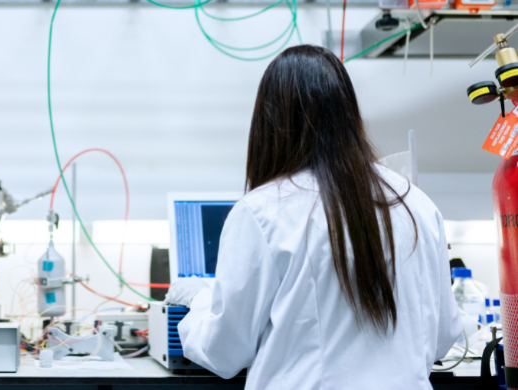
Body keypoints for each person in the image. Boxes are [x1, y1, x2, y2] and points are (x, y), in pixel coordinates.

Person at [165, 45, 462, 389]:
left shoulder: (263, 211)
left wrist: (199, 299)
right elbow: (443, 336)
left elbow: (224, 352)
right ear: (349, 112)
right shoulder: (415, 203)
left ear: (270, 123)